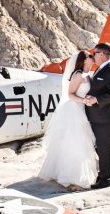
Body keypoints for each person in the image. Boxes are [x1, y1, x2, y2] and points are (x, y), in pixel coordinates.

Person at [38, 51, 99, 190]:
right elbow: (70, 94)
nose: (92, 57)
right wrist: (84, 100)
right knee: (74, 142)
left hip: (82, 109)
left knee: (81, 142)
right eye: (90, 56)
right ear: (84, 61)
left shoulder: (87, 75)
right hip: (74, 110)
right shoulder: (77, 75)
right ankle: (71, 176)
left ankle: (76, 173)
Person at [83, 42, 110, 189]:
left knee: (105, 149)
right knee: (100, 148)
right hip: (97, 117)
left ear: (102, 54)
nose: (93, 56)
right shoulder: (101, 69)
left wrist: (96, 100)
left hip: (105, 118)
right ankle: (102, 176)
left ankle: (106, 180)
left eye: (95, 53)